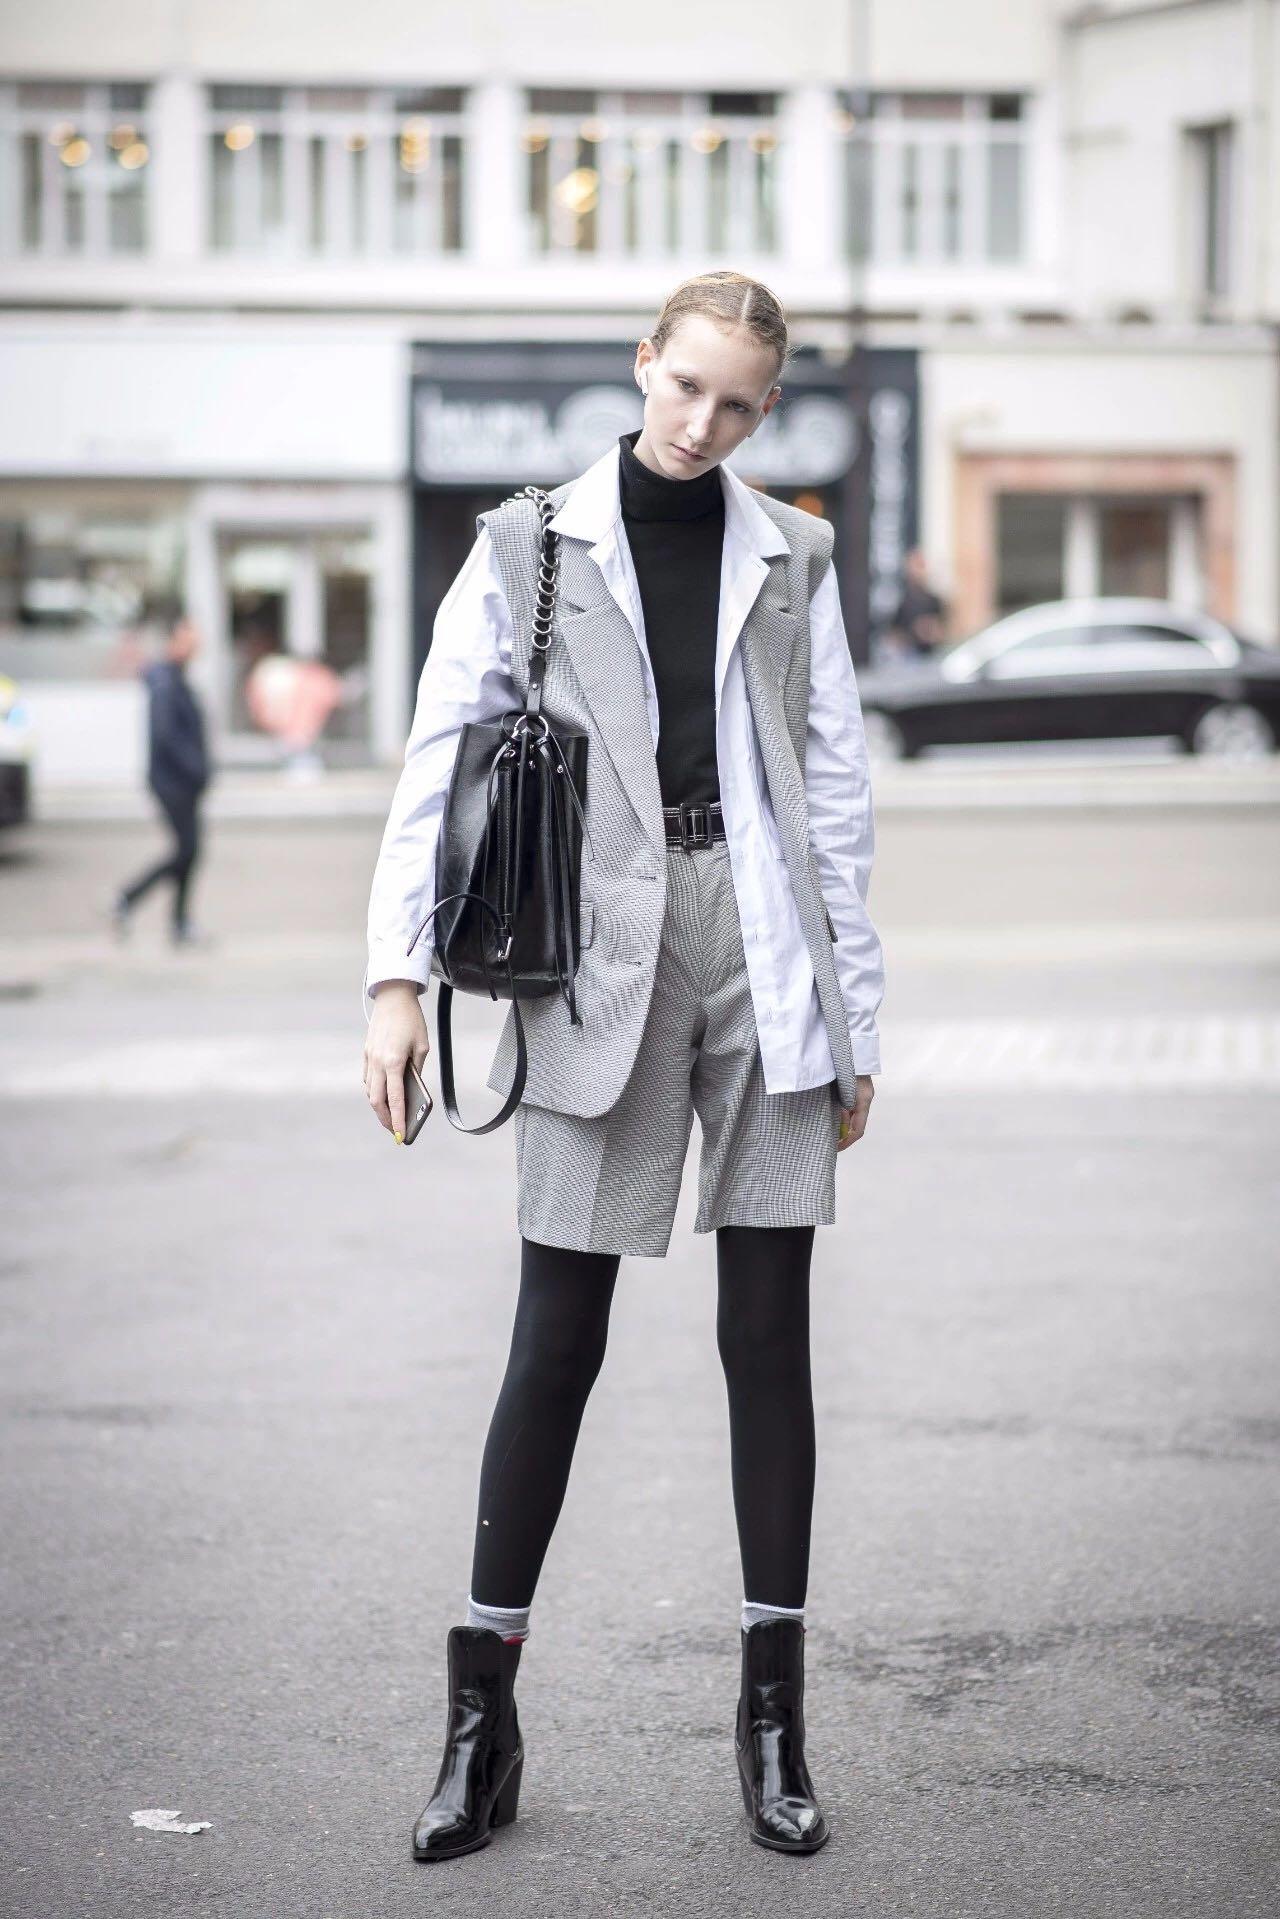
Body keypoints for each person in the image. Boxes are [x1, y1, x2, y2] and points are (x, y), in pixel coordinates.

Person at [362, 270, 885, 1862]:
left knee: (769, 1335)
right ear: (643, 360)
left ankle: (775, 1723)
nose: (702, 422)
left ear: (766, 410)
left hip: (762, 949)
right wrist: (394, 981)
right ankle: (480, 1721)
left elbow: (836, 790)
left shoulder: (793, 554)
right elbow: (440, 757)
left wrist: (855, 1016)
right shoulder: (526, 543)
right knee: (556, 1334)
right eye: (684, 384)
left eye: (737, 403)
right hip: (597, 953)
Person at [110, 613, 212, 945]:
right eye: (189, 637)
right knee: (186, 850)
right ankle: (128, 899)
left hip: (182, 781)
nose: (196, 644)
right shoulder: (166, 681)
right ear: (174, 640)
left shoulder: (175, 677)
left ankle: (177, 921)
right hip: (173, 782)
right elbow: (166, 735)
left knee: (188, 851)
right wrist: (196, 768)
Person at [883, 546, 947, 663]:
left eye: (920, 566)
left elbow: (943, 632)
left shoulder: (933, 600)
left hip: (931, 657)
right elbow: (892, 635)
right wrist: (911, 635)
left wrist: (931, 631)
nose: (917, 571)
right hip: (908, 657)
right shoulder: (902, 601)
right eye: (914, 566)